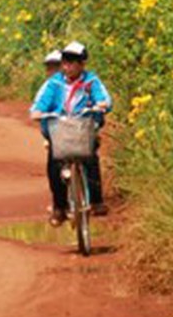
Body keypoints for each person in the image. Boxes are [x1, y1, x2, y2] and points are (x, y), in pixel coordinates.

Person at [30, 41, 112, 226]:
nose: (67, 65)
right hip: (59, 130)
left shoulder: (91, 81)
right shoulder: (54, 83)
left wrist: (101, 105)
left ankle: (97, 202)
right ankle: (59, 207)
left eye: (72, 61)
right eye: (65, 61)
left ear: (82, 64)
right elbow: (40, 103)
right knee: (53, 164)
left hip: (84, 128)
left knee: (90, 157)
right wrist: (37, 112)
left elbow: (104, 99)